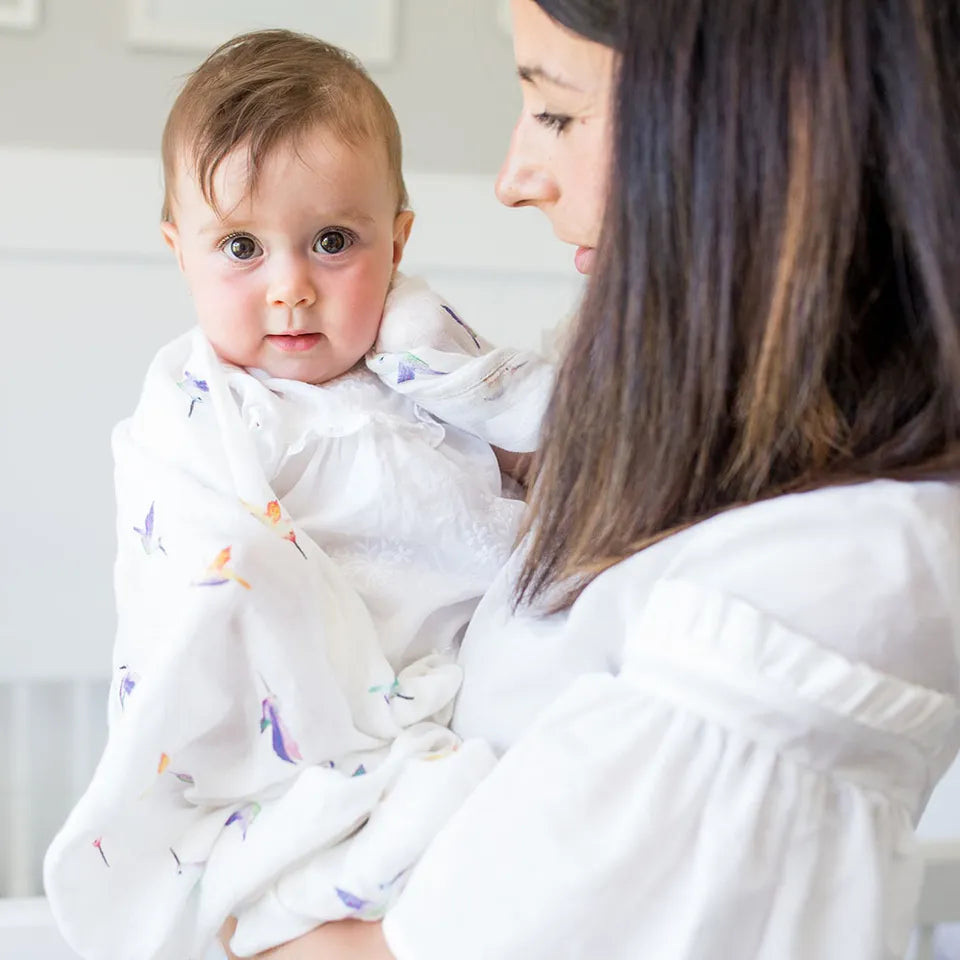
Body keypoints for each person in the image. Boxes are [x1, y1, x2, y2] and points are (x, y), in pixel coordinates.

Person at [246, 0, 960, 957]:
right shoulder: (667, 421)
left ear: (762, 130)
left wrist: (222, 894)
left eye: (556, 113)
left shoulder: (835, 573)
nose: (513, 180)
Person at [42, 29, 552, 960]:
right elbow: (201, 575)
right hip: (292, 745)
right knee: (304, 884)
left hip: (450, 703)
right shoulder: (200, 410)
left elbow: (529, 449)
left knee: (496, 843)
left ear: (396, 240)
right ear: (179, 250)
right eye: (241, 245)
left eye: (331, 242)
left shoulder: (427, 361)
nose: (290, 289)